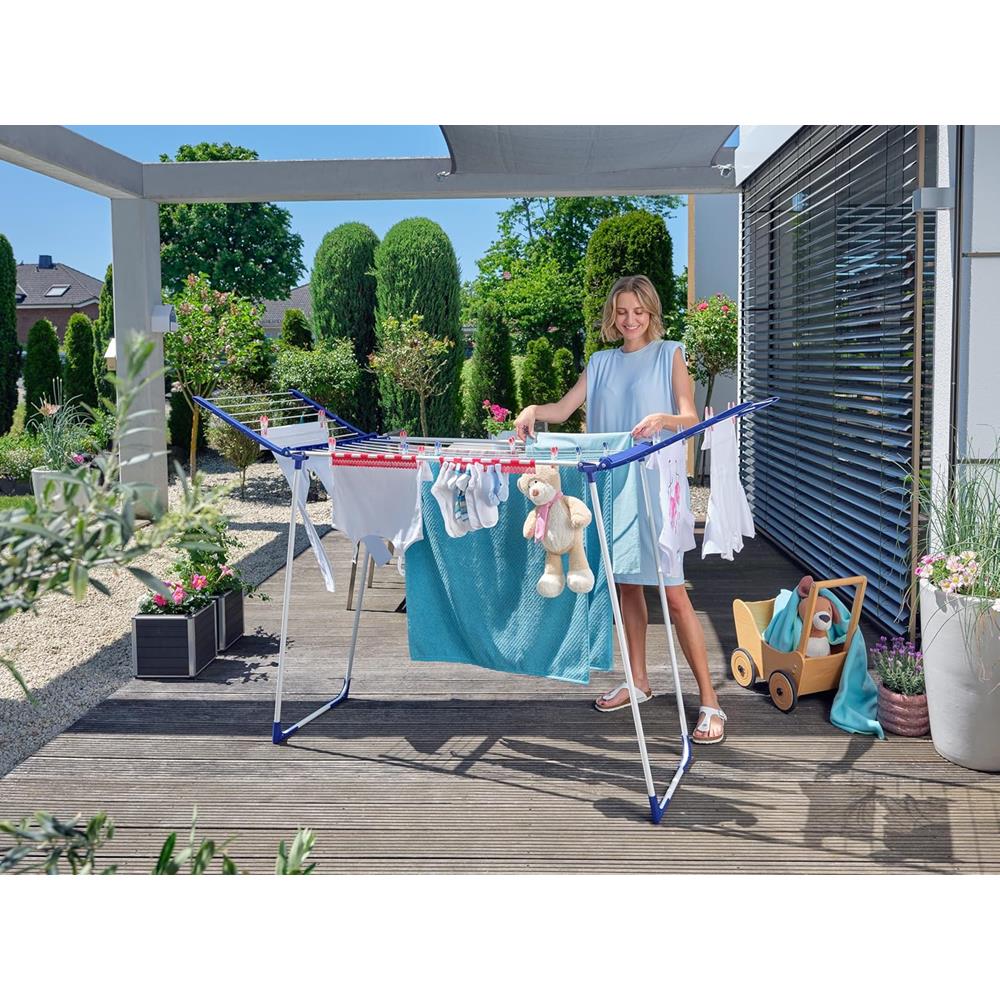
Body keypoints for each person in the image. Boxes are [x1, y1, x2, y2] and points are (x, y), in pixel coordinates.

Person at [513, 274, 726, 744]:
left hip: (655, 489)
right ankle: (638, 681)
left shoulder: (670, 355)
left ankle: (710, 701)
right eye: (622, 312)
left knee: (673, 595)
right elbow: (565, 409)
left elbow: (691, 417)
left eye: (639, 311)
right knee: (626, 585)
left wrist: (665, 419)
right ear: (613, 315)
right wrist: (532, 410)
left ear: (651, 313)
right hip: (610, 489)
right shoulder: (601, 362)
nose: (630, 320)